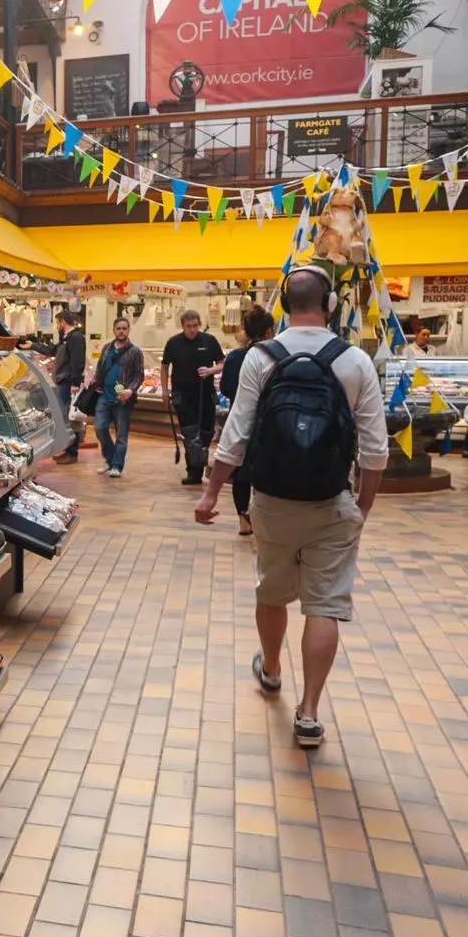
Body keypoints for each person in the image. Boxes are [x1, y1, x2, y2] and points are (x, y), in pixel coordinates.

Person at [195, 268, 389, 750]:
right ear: (329, 303)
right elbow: (375, 451)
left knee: (272, 590)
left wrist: (211, 493)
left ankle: (273, 668)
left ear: (284, 303)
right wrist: (361, 507)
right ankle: (308, 712)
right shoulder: (355, 361)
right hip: (331, 499)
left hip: (273, 499)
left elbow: (236, 436)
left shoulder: (263, 357)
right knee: (323, 605)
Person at [218, 305, 277, 537]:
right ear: (270, 331)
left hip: (239, 417)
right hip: (269, 422)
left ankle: (243, 518)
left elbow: (224, 388)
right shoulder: (276, 356)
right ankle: (265, 517)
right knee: (267, 471)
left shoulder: (235, 357)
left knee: (241, 472)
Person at [162, 310, 225, 485]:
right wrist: (165, 391)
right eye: (189, 326)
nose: (192, 330)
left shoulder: (209, 341)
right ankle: (193, 472)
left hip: (206, 394)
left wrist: (210, 370)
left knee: (206, 432)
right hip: (182, 394)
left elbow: (222, 363)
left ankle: (200, 465)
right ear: (182, 326)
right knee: (190, 433)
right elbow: (165, 366)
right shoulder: (173, 343)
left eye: (195, 326)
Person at [90, 316, 145, 479]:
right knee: (99, 428)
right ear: (114, 330)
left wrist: (131, 390)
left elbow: (139, 374)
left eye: (124, 328)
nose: (121, 331)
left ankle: (116, 465)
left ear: (128, 330)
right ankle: (109, 458)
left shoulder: (135, 351)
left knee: (121, 433)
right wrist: (95, 384)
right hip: (103, 396)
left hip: (123, 399)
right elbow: (100, 367)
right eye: (118, 328)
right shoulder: (107, 348)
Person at [50, 309, 87, 464]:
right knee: (65, 417)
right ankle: (68, 449)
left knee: (68, 418)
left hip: (68, 383)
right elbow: (54, 350)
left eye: (57, 323)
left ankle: (72, 452)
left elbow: (77, 361)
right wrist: (33, 345)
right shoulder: (67, 338)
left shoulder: (76, 337)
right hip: (64, 382)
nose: (57, 326)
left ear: (63, 322)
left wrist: (75, 383)